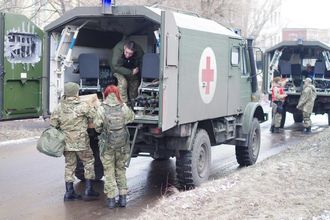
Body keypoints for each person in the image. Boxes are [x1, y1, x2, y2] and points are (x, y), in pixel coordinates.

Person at [50, 82, 100, 201]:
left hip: (66, 142)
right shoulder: (83, 105)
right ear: (76, 92)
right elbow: (95, 115)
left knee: (69, 165)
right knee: (88, 162)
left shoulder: (59, 107)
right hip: (81, 141)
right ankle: (88, 190)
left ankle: (69, 192)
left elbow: (53, 124)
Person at [94, 85, 135, 209]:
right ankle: (122, 199)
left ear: (106, 94)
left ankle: (111, 200)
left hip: (107, 147)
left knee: (109, 172)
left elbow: (97, 127)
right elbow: (131, 118)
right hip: (122, 145)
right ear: (117, 94)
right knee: (121, 170)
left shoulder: (101, 108)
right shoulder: (123, 107)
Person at [110, 40, 144, 105]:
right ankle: (123, 105)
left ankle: (134, 103)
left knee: (135, 81)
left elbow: (142, 63)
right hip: (117, 68)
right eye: (126, 52)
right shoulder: (118, 50)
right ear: (124, 47)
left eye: (130, 53)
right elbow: (115, 66)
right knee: (123, 83)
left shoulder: (139, 50)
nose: (128, 55)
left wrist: (140, 74)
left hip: (130, 66)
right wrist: (131, 72)